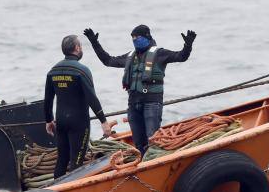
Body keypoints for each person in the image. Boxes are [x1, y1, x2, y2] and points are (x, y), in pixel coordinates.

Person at [83, 24, 196, 155]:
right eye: (133, 37)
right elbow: (108, 61)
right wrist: (94, 42)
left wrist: (188, 45)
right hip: (133, 105)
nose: (135, 39)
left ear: (147, 36)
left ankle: (154, 165)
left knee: (152, 141)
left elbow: (181, 56)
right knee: (138, 144)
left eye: (138, 36)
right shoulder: (130, 56)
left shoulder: (160, 54)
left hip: (152, 104)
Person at [44, 35, 116, 179]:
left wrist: (48, 120)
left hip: (61, 122)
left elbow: (48, 100)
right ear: (77, 48)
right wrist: (103, 121)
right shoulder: (82, 71)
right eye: (80, 46)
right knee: (76, 162)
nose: (81, 48)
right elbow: (92, 98)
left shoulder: (53, 71)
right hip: (79, 123)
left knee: (62, 160)